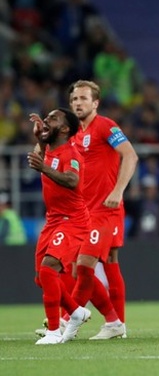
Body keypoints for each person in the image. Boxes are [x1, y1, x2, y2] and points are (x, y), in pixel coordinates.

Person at [67, 79, 138, 339]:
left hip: (105, 209)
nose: (78, 103)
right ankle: (114, 323)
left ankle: (68, 319)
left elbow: (130, 155)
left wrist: (118, 190)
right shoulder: (72, 132)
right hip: (82, 211)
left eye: (83, 98)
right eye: (74, 99)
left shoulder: (106, 126)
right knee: (103, 262)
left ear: (95, 103)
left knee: (91, 265)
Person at [27, 108, 91, 344]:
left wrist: (43, 167)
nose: (46, 120)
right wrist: (39, 137)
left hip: (72, 220)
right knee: (41, 278)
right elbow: (43, 155)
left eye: (53, 119)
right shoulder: (50, 149)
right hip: (53, 219)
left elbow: (72, 180)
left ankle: (53, 331)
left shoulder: (71, 153)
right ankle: (76, 312)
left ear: (65, 129)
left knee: (48, 270)